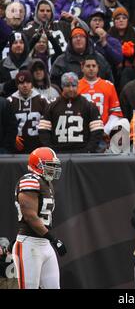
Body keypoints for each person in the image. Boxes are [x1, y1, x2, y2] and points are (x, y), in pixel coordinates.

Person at [12, 147, 67, 289]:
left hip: (44, 245)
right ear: (37, 165)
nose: (53, 169)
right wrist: (53, 238)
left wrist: (49, 240)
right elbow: (30, 216)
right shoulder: (29, 180)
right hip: (29, 243)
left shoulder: (46, 183)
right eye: (50, 165)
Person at [39, 72, 104, 153]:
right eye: (67, 86)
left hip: (82, 154)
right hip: (59, 153)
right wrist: (51, 150)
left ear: (78, 85)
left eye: (73, 85)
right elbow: (43, 131)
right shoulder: (52, 105)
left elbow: (97, 131)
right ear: (62, 86)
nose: (71, 89)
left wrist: (87, 150)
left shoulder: (88, 105)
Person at [78, 55, 123, 142]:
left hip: (103, 132)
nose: (91, 68)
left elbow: (116, 113)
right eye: (88, 66)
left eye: (94, 66)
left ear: (98, 68)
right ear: (82, 67)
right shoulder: (75, 86)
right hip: (81, 132)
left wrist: (106, 129)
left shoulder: (109, 86)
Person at [7, 70, 48, 154]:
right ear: (17, 85)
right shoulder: (10, 102)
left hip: (38, 145)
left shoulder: (42, 100)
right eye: (21, 83)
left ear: (32, 84)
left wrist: (44, 142)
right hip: (17, 147)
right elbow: (5, 125)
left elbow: (48, 123)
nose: (25, 85)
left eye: (28, 82)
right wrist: (12, 137)